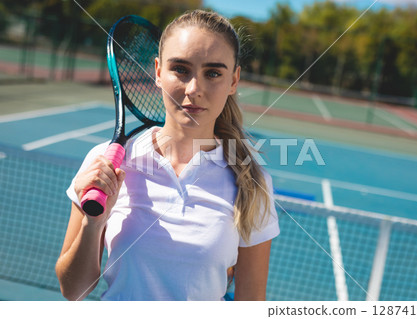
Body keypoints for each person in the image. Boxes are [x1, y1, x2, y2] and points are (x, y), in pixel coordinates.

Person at [55, 9, 280, 301]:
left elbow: (251, 302)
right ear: (159, 72)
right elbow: (72, 290)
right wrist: (93, 222)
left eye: (213, 73)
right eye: (181, 69)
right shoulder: (104, 162)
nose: (194, 89)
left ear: (234, 81)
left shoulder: (253, 181)